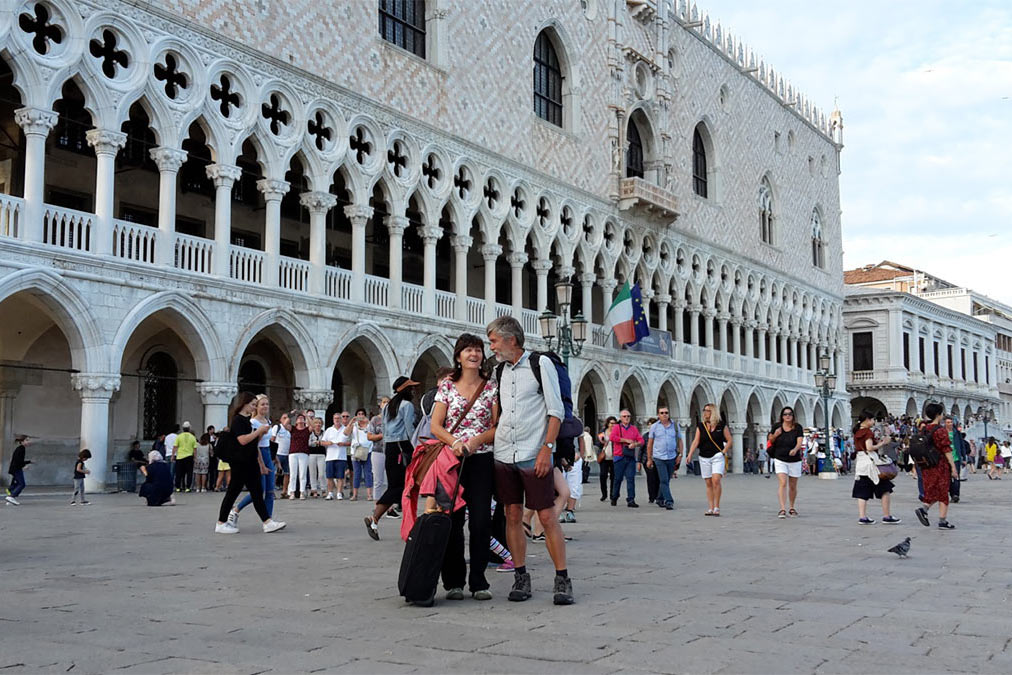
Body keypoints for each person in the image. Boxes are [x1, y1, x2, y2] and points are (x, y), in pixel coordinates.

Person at [486, 316, 573, 605]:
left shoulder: (540, 364)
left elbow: (555, 410)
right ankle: (520, 575)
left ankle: (562, 578)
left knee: (546, 515)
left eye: (494, 341)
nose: (492, 347)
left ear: (511, 340)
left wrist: (547, 449)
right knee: (511, 514)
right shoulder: (500, 370)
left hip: (532, 453)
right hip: (504, 454)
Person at [405, 333, 498, 600]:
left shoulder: (491, 387)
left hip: (481, 459)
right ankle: (454, 581)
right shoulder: (446, 386)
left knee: (481, 521)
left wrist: (477, 440)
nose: (474, 354)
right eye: (468, 350)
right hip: (451, 460)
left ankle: (479, 581)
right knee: (451, 520)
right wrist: (456, 442)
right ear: (458, 356)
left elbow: (496, 425)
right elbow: (435, 426)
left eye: (478, 350)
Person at [215, 391, 286, 534]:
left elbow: (252, 443)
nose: (254, 408)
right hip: (240, 463)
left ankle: (267, 522)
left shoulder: (246, 420)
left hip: (249, 461)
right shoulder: (238, 420)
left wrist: (259, 436)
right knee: (233, 492)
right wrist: (258, 431)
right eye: (253, 405)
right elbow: (242, 440)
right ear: (245, 404)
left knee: (257, 492)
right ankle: (221, 522)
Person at [365, 376, 418, 532]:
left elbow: (386, 431)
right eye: (411, 388)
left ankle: (375, 518)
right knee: (401, 486)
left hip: (390, 447)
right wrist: (417, 448)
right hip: (403, 446)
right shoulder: (407, 405)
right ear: (405, 390)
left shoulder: (387, 407)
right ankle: (374, 517)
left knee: (397, 485)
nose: (413, 391)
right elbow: (409, 429)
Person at [231, 394, 279, 523]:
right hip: (257, 454)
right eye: (262, 404)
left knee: (270, 490)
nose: (265, 407)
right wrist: (261, 463)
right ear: (256, 407)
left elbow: (268, 442)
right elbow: (254, 444)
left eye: (267, 404)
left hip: (267, 453)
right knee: (259, 489)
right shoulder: (253, 422)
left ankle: (269, 520)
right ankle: (236, 509)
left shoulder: (268, 422)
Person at [851, 410, 901, 524]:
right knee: (885, 489)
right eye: (872, 419)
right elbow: (869, 447)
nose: (874, 421)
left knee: (862, 491)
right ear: (867, 420)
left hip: (861, 463)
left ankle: (862, 517)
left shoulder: (857, 432)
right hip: (871, 464)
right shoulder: (867, 432)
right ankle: (886, 515)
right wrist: (883, 443)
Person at [914, 402, 957, 529]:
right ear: (938, 414)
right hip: (940, 464)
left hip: (927, 465)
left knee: (933, 490)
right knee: (943, 491)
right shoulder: (940, 431)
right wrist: (953, 467)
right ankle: (942, 520)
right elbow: (947, 450)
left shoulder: (924, 429)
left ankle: (924, 509)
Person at [686, 403, 731, 516]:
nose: (705, 413)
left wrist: (723, 452)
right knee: (708, 482)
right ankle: (710, 507)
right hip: (704, 456)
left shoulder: (722, 426)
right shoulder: (701, 426)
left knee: (716, 480)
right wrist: (690, 454)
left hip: (717, 456)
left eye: (707, 410)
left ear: (713, 412)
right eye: (704, 410)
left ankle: (717, 506)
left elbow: (730, 440)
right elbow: (696, 441)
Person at [770, 406, 804, 518]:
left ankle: (792, 507)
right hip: (780, 458)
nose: (787, 416)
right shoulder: (776, 427)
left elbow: (799, 442)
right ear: (782, 416)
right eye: (785, 414)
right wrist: (776, 435)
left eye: (790, 414)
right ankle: (782, 509)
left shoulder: (798, 427)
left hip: (794, 460)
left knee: (793, 485)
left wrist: (795, 449)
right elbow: (770, 440)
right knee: (783, 482)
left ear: (793, 416)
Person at [646, 407, 683, 510]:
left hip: (671, 456)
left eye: (666, 412)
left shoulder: (674, 426)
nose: (664, 415)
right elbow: (650, 444)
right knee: (663, 479)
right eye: (662, 413)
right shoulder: (654, 427)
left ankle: (659, 498)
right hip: (659, 457)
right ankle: (669, 501)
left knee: (667, 480)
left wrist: (680, 455)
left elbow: (680, 440)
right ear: (658, 415)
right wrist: (649, 458)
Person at [609, 409, 644, 507]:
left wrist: (635, 444)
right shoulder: (617, 427)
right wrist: (625, 440)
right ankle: (614, 496)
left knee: (630, 478)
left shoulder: (633, 428)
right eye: (624, 416)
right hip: (619, 456)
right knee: (618, 478)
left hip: (630, 457)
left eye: (628, 416)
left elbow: (641, 440)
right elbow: (612, 437)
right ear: (620, 418)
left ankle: (631, 499)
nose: (626, 418)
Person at [322, 412, 349, 500]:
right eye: (335, 418)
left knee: (340, 476)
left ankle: (339, 493)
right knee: (329, 476)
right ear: (333, 420)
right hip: (330, 456)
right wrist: (328, 443)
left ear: (341, 420)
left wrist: (343, 444)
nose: (337, 420)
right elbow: (322, 442)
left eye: (339, 418)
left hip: (341, 456)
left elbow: (350, 442)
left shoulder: (345, 429)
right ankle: (330, 493)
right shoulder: (329, 430)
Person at [349, 408, 374, 501]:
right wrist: (351, 421)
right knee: (357, 473)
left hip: (368, 450)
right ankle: (355, 495)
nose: (360, 416)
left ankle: (369, 494)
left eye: (362, 414)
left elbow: (374, 432)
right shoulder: (354, 425)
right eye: (358, 414)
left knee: (368, 472)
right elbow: (346, 433)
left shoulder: (369, 425)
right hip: (356, 451)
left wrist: (369, 422)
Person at [287, 412, 312, 499]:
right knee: (293, 474)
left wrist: (307, 416)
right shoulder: (293, 429)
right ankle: (292, 491)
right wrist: (291, 414)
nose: (301, 419)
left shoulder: (306, 430)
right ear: (296, 421)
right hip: (293, 452)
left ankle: (302, 491)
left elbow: (312, 425)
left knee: (302, 473)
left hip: (303, 453)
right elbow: (285, 423)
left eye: (302, 418)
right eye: (299, 418)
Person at [367, 404, 387, 502]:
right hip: (378, 451)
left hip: (391, 451)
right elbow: (369, 436)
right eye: (384, 402)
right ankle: (377, 503)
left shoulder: (394, 418)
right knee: (378, 480)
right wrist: (382, 435)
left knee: (389, 480)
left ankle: (389, 505)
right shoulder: (375, 420)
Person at [6, 434, 30, 505]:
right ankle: (11, 496)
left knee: (16, 484)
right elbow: (18, 460)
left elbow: (18, 460)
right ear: (22, 441)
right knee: (22, 484)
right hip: (16, 469)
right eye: (27, 440)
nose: (28, 442)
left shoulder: (20, 448)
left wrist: (29, 462)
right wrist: (24, 466)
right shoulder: (21, 448)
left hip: (14, 469)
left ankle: (10, 498)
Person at [173, 421, 197, 492]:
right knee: (189, 473)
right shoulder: (193, 437)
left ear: (183, 428)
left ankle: (178, 487)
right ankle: (188, 487)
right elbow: (195, 449)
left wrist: (172, 455)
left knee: (179, 473)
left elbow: (175, 447)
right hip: (189, 457)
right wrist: (195, 458)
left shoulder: (179, 436)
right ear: (189, 428)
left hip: (180, 457)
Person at [596, 416, 617, 501]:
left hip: (614, 457)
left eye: (615, 423)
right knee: (603, 475)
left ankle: (612, 494)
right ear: (608, 424)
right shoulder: (603, 432)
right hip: (604, 457)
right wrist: (602, 442)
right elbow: (598, 443)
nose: (613, 425)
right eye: (611, 423)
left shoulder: (617, 432)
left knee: (613, 476)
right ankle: (604, 494)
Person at [307, 416, 327, 497]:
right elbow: (308, 443)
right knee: (312, 472)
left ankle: (323, 489)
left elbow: (326, 442)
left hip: (321, 454)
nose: (318, 424)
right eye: (316, 423)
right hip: (312, 454)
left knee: (322, 473)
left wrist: (320, 443)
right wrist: (316, 443)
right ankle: (314, 489)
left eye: (319, 423)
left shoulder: (324, 433)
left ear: (322, 424)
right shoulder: (310, 433)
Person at [272, 413, 292, 497]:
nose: (286, 419)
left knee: (287, 473)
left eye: (287, 418)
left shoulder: (289, 431)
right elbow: (272, 440)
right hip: (278, 454)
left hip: (287, 454)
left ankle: (284, 491)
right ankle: (271, 491)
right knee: (275, 473)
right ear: (280, 420)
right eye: (284, 418)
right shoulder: (277, 428)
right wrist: (273, 454)